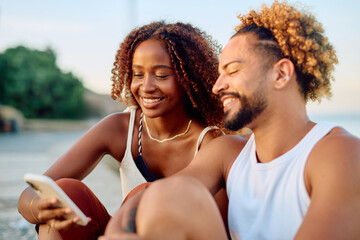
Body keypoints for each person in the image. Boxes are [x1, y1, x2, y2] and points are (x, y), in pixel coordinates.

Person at [101, 1, 360, 239]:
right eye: (219, 73)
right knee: (171, 196)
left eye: (233, 71)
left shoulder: (338, 153)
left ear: (281, 74)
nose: (217, 86)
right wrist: (118, 232)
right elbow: (154, 196)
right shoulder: (229, 152)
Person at [17, 21, 230, 239]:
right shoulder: (120, 128)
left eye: (162, 75)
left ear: (189, 79)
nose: (146, 87)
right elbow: (29, 193)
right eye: (138, 74)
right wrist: (39, 207)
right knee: (66, 193)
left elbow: (216, 231)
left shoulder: (210, 144)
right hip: (120, 234)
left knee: (144, 195)